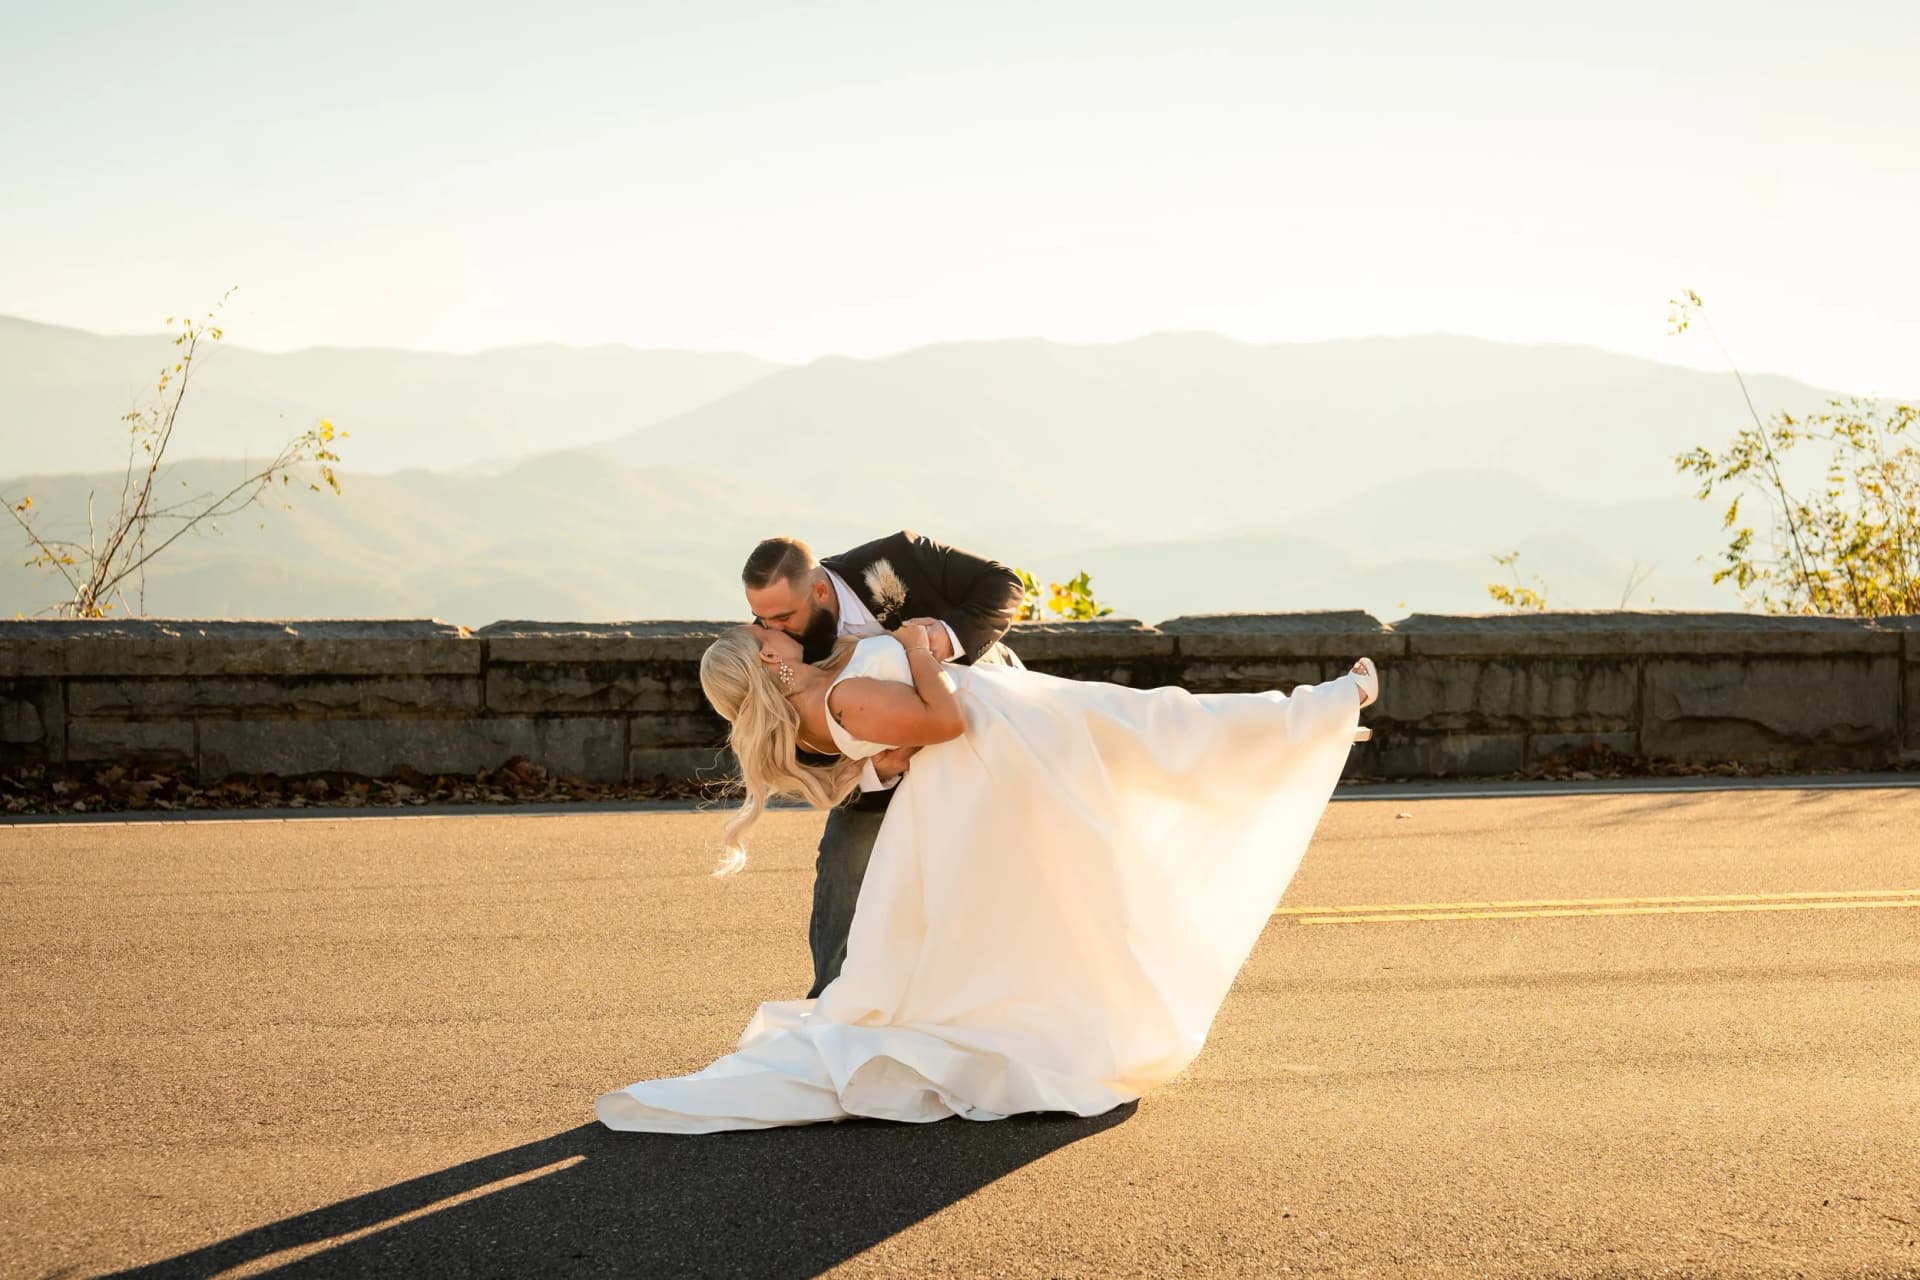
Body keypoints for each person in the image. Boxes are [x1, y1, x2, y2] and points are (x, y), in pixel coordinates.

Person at [594, 614, 1381, 1133]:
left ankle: (1313, 724)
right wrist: (914, 650)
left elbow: (893, 748)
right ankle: (1326, 712)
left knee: (1149, 748)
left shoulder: (826, 697)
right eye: (764, 632)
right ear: (768, 659)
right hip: (1010, 738)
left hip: (999, 752)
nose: (776, 629)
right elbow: (945, 719)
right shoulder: (847, 693)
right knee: (1163, 726)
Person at [739, 532, 1025, 997]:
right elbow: (796, 742)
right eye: (762, 618)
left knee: (1006, 868)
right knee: (842, 864)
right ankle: (830, 1003)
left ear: (820, 590)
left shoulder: (898, 556)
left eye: (784, 617)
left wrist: (939, 638)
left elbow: (1003, 585)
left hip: (983, 720)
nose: (773, 630)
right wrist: (878, 771)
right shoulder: (777, 648)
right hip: (877, 773)